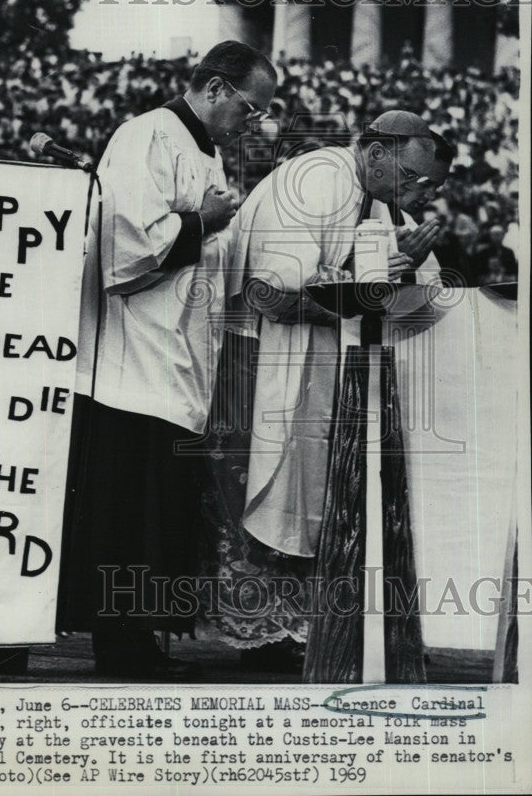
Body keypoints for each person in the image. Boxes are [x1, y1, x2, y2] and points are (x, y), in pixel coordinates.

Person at [57, 40, 277, 679]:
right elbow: (125, 251)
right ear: (214, 87)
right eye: (249, 108)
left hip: (179, 358)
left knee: (159, 510)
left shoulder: (208, 157)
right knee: (126, 509)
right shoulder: (144, 136)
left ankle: (141, 639)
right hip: (133, 361)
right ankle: (118, 646)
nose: (252, 122)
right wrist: (203, 223)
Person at [208, 110, 455, 669]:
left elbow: (429, 297)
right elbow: (270, 294)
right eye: (414, 179)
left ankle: (303, 628)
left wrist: (401, 272)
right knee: (271, 486)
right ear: (375, 153)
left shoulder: (381, 201)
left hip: (321, 363)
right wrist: (378, 276)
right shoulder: (317, 180)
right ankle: (263, 632)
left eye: (430, 187)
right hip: (261, 355)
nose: (418, 195)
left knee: (320, 490)